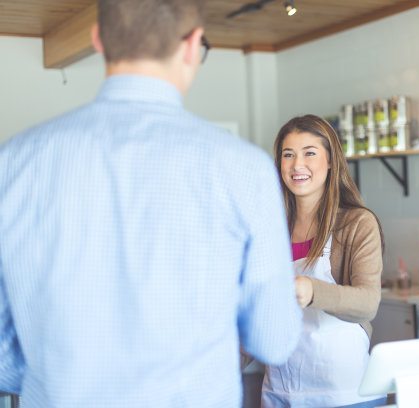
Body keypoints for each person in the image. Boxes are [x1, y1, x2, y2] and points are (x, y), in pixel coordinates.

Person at [0, 1, 302, 407]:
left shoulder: (15, 160)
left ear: (98, 40)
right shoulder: (244, 168)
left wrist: (58, 374)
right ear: (193, 46)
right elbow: (275, 339)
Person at [261, 115, 386, 408]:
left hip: (344, 394)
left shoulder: (357, 223)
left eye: (309, 153)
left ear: (331, 161)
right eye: (287, 155)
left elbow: (368, 303)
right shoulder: (269, 228)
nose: (296, 165)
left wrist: (312, 290)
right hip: (280, 390)